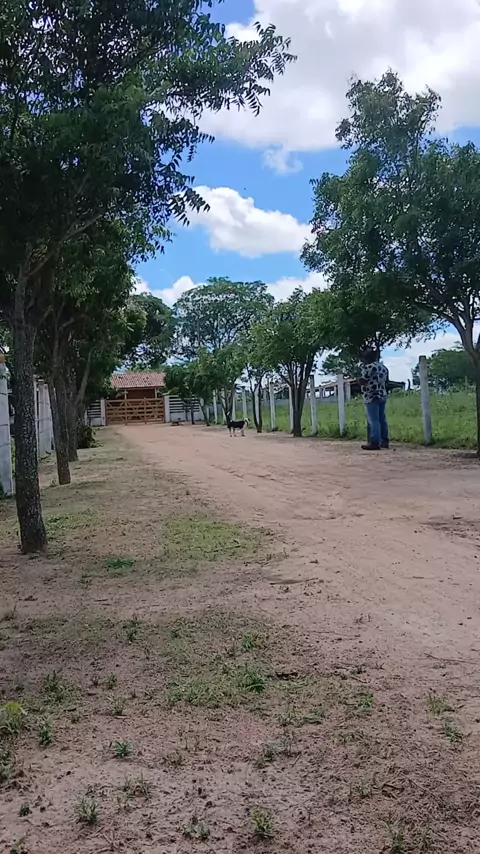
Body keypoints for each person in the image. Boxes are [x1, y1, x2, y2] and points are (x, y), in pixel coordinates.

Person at [358, 349, 389, 451]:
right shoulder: (383, 368)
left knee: (373, 420)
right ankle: (384, 441)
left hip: (371, 395)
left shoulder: (368, 367)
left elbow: (363, 380)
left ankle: (374, 442)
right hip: (382, 394)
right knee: (382, 419)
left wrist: (359, 381)